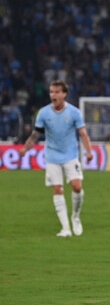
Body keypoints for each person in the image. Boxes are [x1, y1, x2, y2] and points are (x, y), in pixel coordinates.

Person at [19, 80, 93, 237]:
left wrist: (89, 151)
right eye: (51, 92)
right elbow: (35, 134)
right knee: (57, 189)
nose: (53, 95)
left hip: (70, 156)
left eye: (57, 92)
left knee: (77, 187)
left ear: (64, 94)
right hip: (52, 156)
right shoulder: (44, 113)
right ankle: (65, 228)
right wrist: (25, 148)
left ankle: (75, 217)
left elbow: (83, 134)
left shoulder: (74, 112)